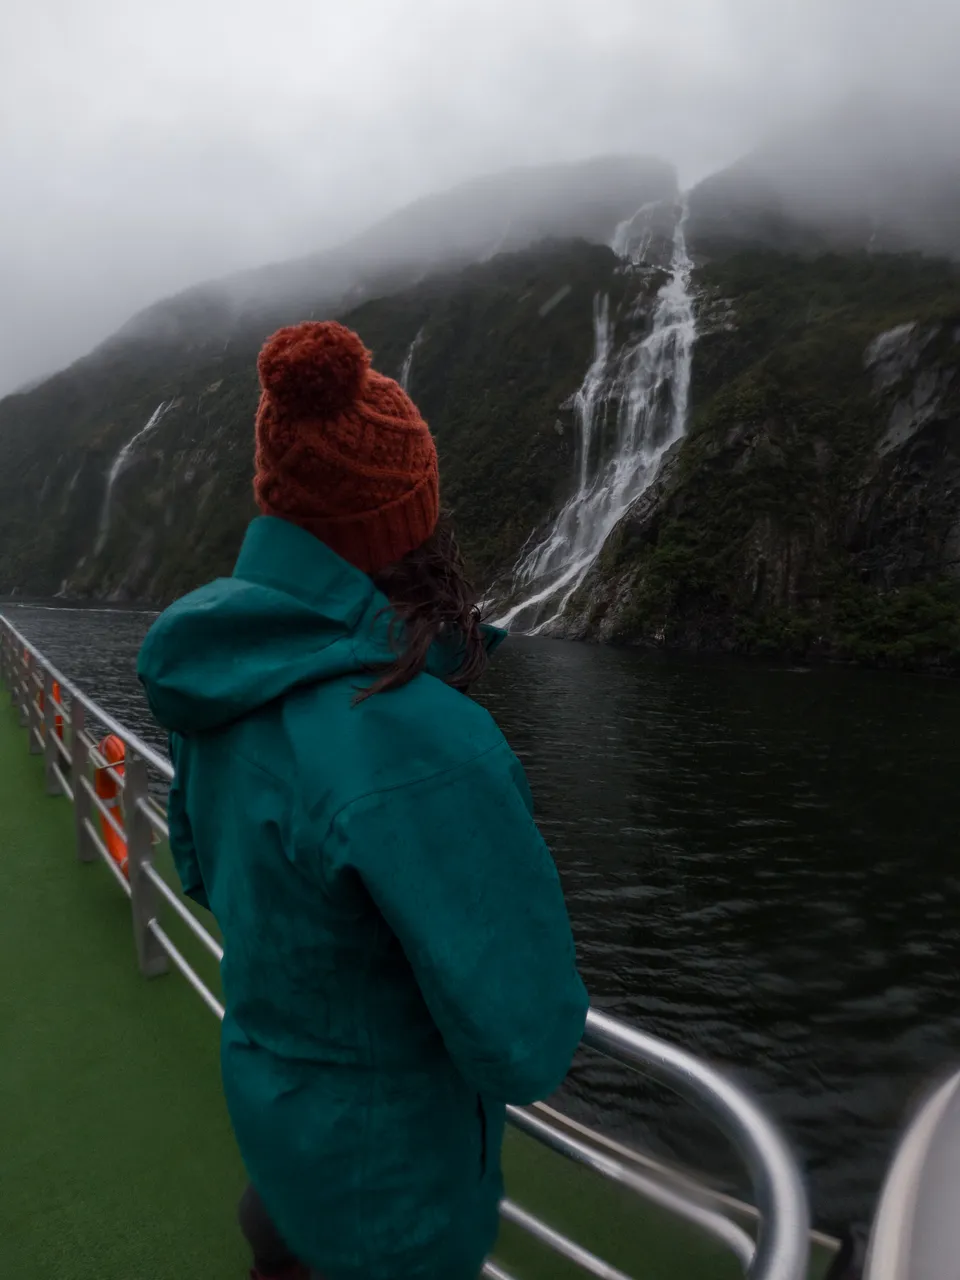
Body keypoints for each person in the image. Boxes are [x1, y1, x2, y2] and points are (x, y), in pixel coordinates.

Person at [137, 320, 589, 1280]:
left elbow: (198, 866)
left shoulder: (213, 684)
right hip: (396, 1205)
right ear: (408, 522)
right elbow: (524, 1042)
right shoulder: (430, 744)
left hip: (284, 1144)